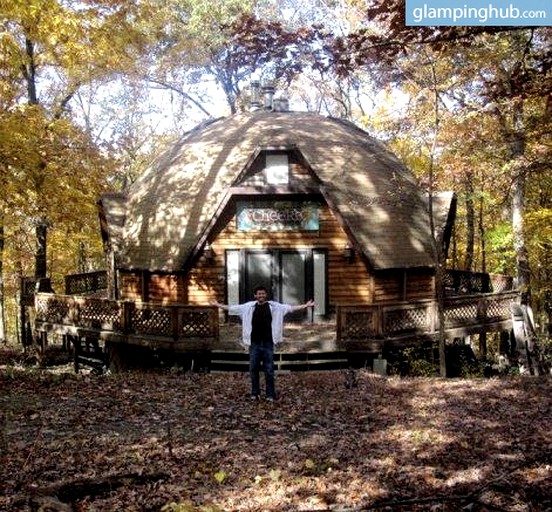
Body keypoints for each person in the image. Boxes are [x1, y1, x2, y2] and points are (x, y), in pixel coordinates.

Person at [211, 286, 315, 402]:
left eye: (263, 294)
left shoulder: (275, 306)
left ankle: (270, 394)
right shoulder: (248, 307)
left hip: (268, 343)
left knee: (269, 369)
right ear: (255, 295)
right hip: (254, 343)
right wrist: (218, 305)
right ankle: (255, 393)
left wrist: (305, 306)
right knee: (253, 368)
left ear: (266, 295)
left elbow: (290, 308)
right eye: (258, 294)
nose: (261, 296)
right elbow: (232, 308)